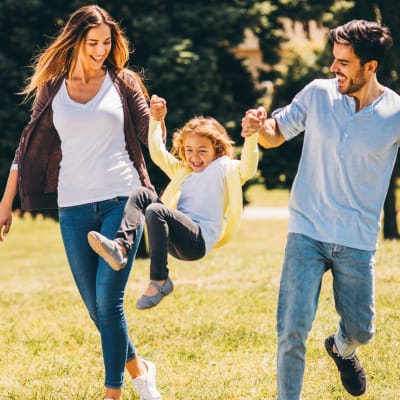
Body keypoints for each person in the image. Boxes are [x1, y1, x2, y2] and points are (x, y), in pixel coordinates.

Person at [0, 5, 162, 400]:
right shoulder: (53, 86)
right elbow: (27, 144)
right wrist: (6, 202)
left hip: (121, 200)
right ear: (75, 41)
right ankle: (141, 369)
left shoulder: (122, 82)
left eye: (107, 43)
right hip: (73, 207)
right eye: (93, 43)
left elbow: (147, 135)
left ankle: (115, 392)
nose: (101, 50)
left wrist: (158, 117)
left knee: (109, 301)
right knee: (97, 309)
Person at [242, 19, 400, 400]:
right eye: (334, 59)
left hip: (356, 239)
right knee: (292, 329)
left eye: (343, 62)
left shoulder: (395, 113)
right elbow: (276, 134)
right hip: (307, 231)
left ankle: (341, 348)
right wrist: (258, 128)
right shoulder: (317, 94)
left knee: (362, 330)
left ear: (370, 67)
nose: (334, 68)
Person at [87, 94, 259, 310]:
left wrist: (252, 137)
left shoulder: (225, 168)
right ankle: (121, 247)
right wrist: (156, 120)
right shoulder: (184, 171)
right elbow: (158, 152)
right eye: (189, 150)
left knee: (156, 211)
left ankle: (159, 280)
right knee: (141, 194)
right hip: (174, 238)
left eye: (202, 151)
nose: (194, 157)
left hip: (197, 242)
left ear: (218, 150)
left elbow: (249, 168)